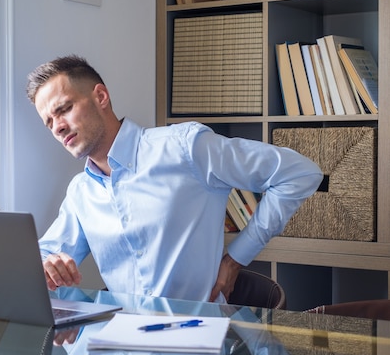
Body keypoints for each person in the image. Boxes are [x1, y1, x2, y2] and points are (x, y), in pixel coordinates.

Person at [26, 54, 322, 303]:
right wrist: (46, 263)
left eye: (64, 109)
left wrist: (236, 259)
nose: (58, 128)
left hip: (197, 345)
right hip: (124, 347)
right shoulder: (81, 192)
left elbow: (298, 173)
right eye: (48, 122)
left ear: (100, 96)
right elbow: (46, 252)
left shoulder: (185, 147)